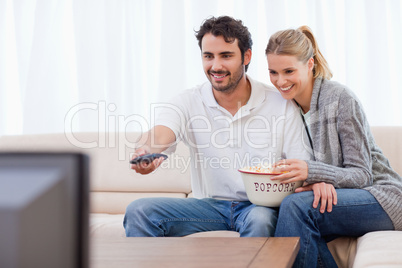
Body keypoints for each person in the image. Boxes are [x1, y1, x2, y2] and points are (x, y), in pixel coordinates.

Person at [123, 16, 312, 237]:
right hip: (208, 207)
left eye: (226, 56)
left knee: (260, 219)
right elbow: (162, 131)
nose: (216, 66)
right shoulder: (188, 100)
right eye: (208, 56)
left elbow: (301, 165)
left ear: (246, 56)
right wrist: (146, 151)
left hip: (258, 208)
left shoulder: (281, 103)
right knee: (140, 211)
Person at [265, 26, 402, 267]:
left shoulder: (340, 99)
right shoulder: (287, 107)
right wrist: (314, 180)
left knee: (296, 208)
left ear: (310, 64)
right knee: (276, 214)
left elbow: (362, 174)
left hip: (382, 197)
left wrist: (313, 172)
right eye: (273, 72)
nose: (280, 81)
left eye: (288, 71)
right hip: (338, 195)